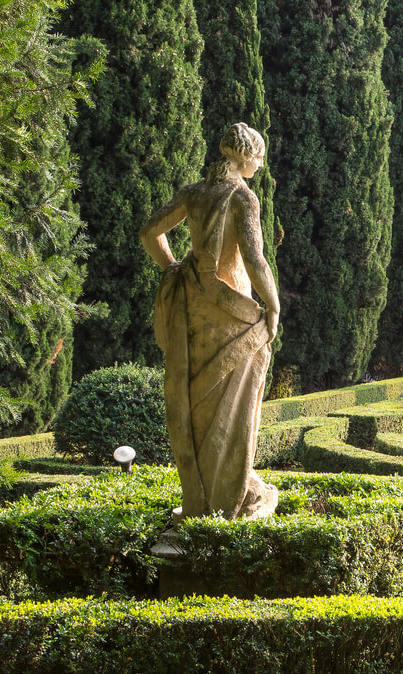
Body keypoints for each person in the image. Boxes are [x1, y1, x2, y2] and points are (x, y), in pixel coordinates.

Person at [139, 122, 279, 520]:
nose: (262, 162)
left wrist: (173, 268)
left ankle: (201, 500)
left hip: (194, 312)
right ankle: (234, 496)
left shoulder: (194, 193)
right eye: (259, 155)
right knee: (234, 406)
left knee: (197, 404)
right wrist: (273, 304)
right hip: (231, 312)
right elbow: (254, 260)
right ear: (246, 156)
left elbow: (150, 233)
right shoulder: (242, 197)